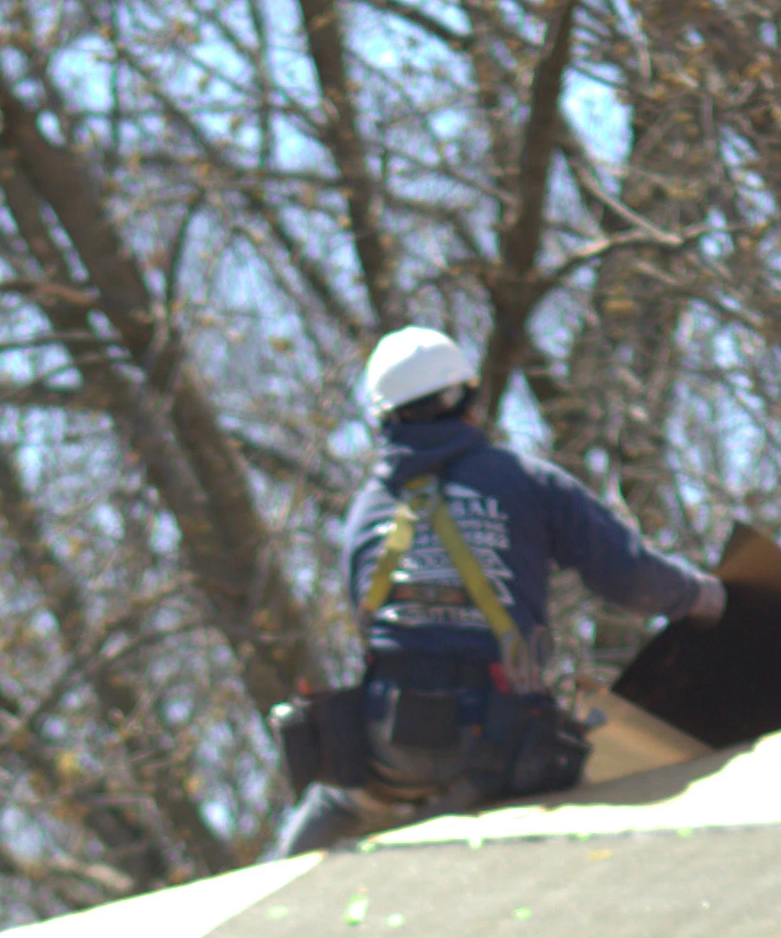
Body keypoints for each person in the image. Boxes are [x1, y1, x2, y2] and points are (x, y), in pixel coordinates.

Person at [305, 325, 724, 814]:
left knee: (326, 813)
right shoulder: (525, 481)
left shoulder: (366, 512)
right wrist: (703, 597)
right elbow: (632, 579)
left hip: (387, 751)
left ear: (383, 418)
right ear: (469, 398)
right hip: (499, 745)